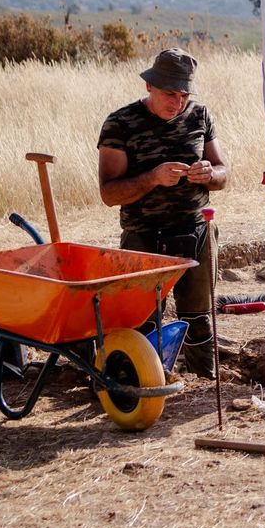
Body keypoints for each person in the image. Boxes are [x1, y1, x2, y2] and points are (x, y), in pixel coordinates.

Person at [97, 48, 228, 377]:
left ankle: (203, 380)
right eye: (170, 93)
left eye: (184, 94)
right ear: (149, 87)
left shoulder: (200, 116)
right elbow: (109, 193)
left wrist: (208, 174)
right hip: (144, 237)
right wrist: (153, 178)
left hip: (196, 232)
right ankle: (143, 384)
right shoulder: (120, 123)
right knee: (143, 319)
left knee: (198, 316)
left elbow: (224, 173)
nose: (178, 102)